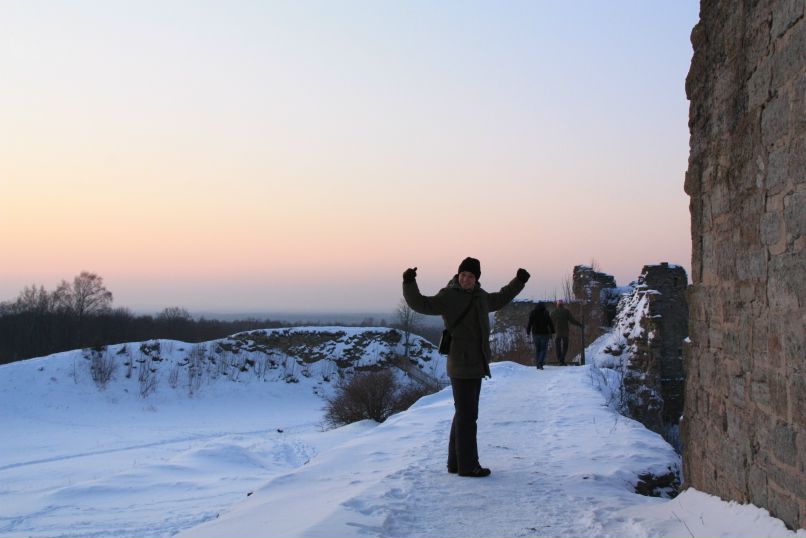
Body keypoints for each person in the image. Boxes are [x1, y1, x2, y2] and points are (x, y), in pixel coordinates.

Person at [402, 257, 529, 478]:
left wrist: (518, 281)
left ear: (476, 278)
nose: (465, 279)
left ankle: (455, 462)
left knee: (463, 413)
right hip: (460, 362)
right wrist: (409, 282)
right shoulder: (448, 296)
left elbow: (500, 299)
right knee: (468, 415)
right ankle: (469, 465)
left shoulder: (480, 297)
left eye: (470, 276)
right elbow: (421, 304)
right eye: (463, 275)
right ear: (457, 275)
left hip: (476, 363)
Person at [550, 299, 582, 365]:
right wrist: (579, 324)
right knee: (565, 346)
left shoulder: (553, 312)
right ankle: (562, 359)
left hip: (557, 333)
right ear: (563, 305)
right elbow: (572, 320)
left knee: (557, 346)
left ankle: (560, 360)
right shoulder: (566, 311)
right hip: (565, 333)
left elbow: (551, 324)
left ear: (557, 305)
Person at [525, 302, 554, 370]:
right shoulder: (546, 312)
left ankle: (538, 363)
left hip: (535, 334)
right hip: (544, 334)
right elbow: (550, 322)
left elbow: (530, 323)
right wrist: (552, 331)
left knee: (538, 349)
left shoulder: (533, 312)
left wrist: (528, 332)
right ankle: (540, 363)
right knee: (543, 349)